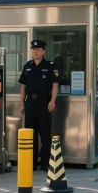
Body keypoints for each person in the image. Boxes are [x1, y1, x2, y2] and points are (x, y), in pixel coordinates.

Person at [19, 40, 59, 171]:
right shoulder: (27, 66)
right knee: (31, 134)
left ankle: (45, 163)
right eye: (33, 49)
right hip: (30, 103)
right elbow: (23, 87)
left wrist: (52, 101)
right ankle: (32, 163)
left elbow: (55, 85)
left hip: (44, 103)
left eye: (37, 49)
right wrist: (22, 104)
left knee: (45, 133)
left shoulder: (50, 66)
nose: (35, 52)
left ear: (43, 51)